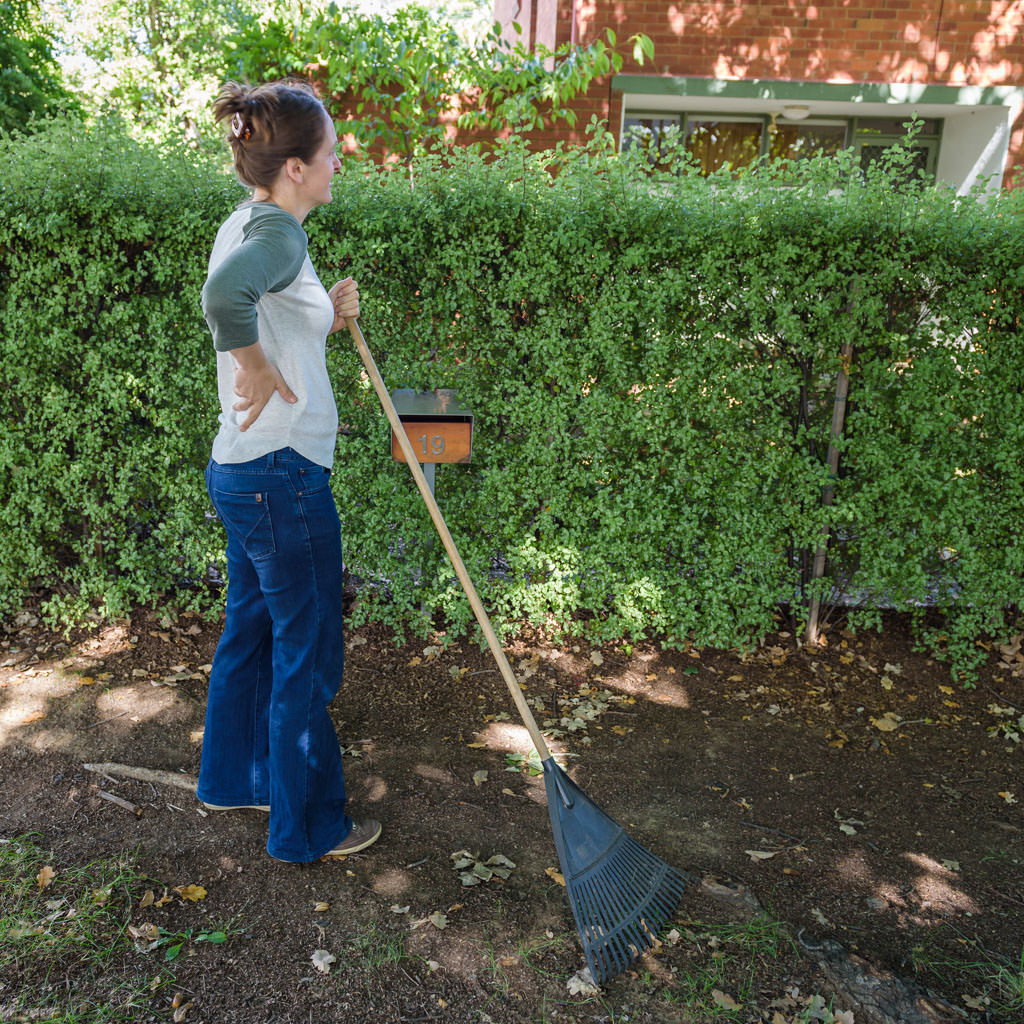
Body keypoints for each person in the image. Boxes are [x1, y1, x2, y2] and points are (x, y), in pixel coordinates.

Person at [196, 78, 381, 862]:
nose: (341, 162)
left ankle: (233, 778)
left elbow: (263, 309)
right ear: (296, 167)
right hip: (283, 475)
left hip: (244, 470)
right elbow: (225, 297)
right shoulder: (280, 237)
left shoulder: (249, 221)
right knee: (305, 649)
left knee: (252, 630)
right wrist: (256, 368)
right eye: (332, 153)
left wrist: (324, 321)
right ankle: (308, 826)